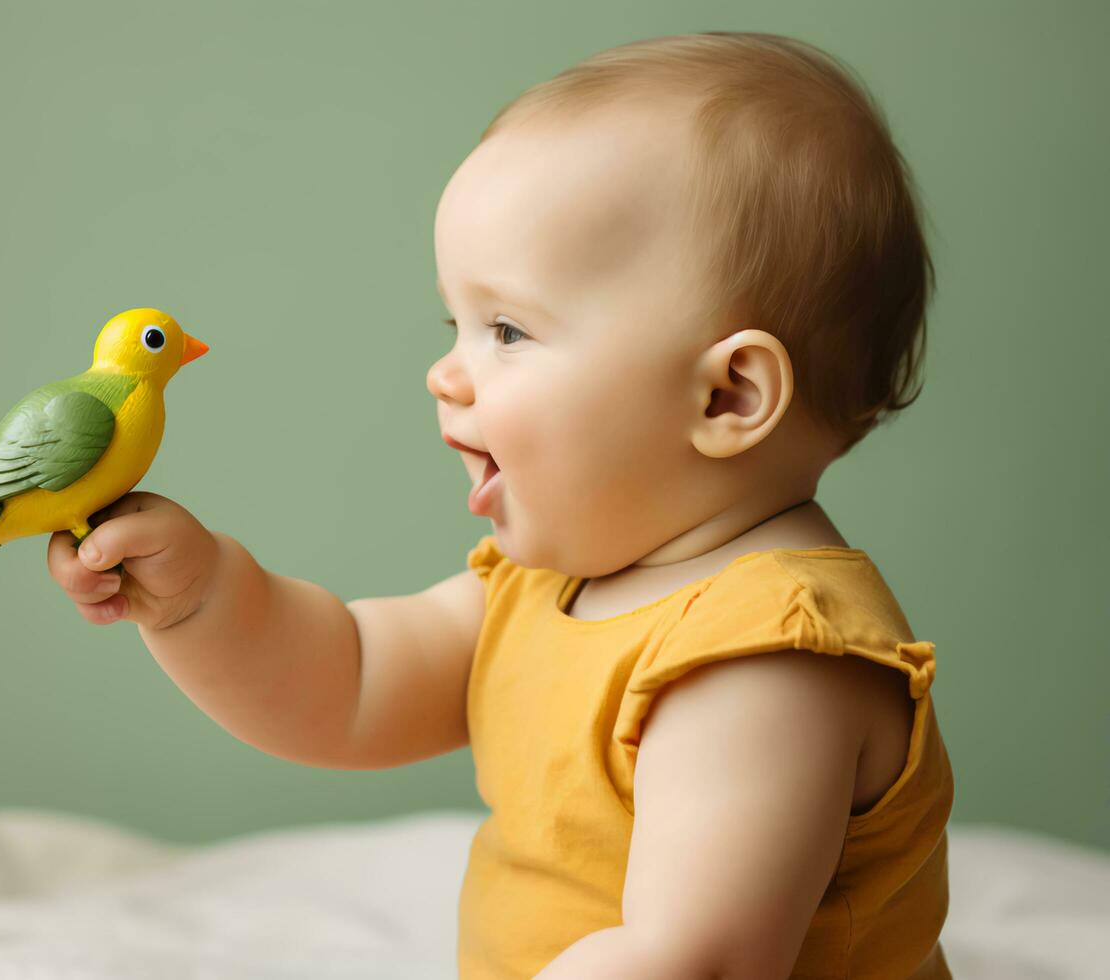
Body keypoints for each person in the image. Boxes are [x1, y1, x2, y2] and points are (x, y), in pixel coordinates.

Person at [47, 31, 952, 979]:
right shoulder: (547, 587)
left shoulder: (769, 661)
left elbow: (697, 959)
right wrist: (200, 597)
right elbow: (347, 684)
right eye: (458, 325)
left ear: (726, 398)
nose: (445, 373)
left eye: (508, 330)